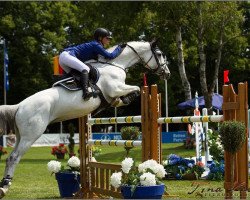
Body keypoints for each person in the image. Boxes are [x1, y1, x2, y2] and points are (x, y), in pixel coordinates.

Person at [59, 28, 125, 100]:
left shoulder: (95, 45)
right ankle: (86, 93)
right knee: (85, 69)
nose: (109, 40)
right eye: (107, 38)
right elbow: (110, 56)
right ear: (100, 38)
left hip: (64, 58)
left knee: (76, 75)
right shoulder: (96, 45)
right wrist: (119, 48)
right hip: (67, 56)